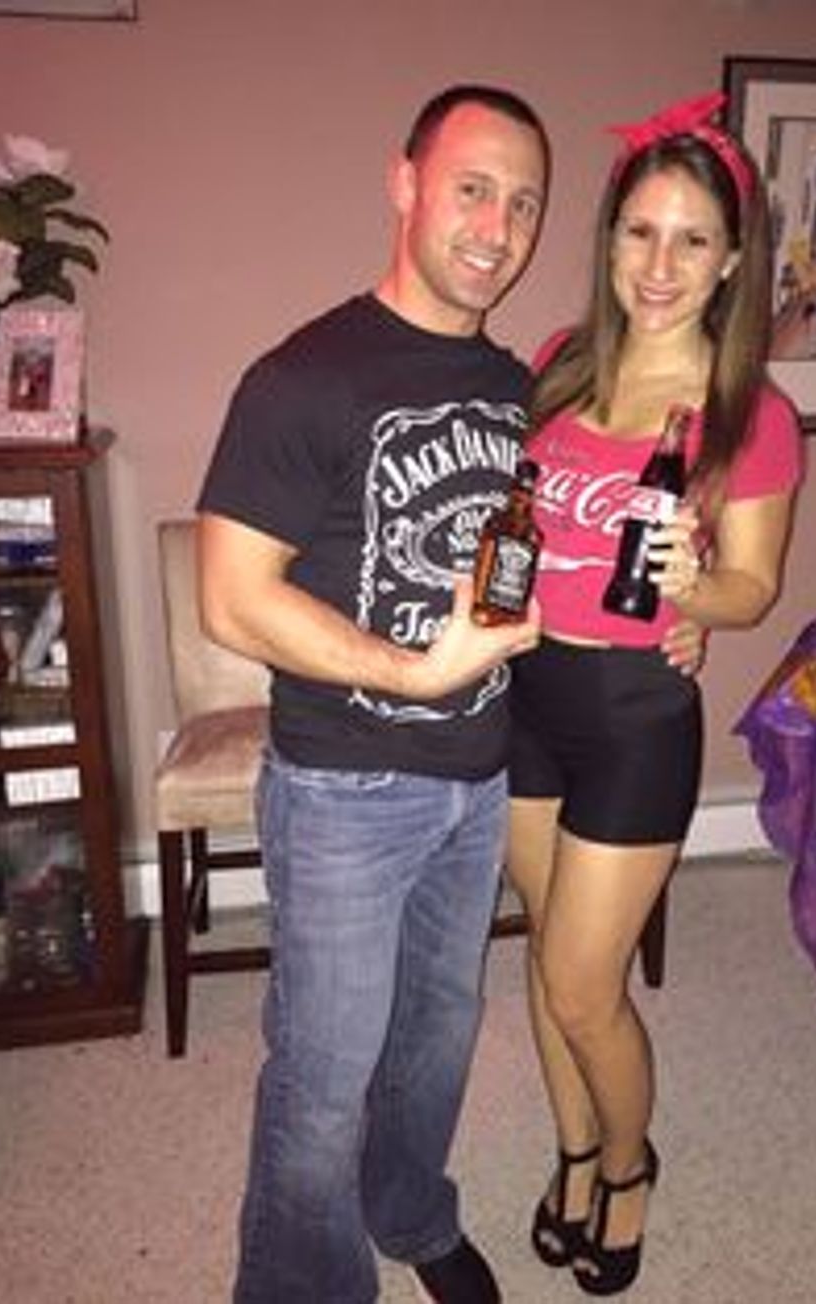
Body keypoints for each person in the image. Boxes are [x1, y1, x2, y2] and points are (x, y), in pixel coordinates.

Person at [196, 85, 551, 1304]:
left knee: (435, 1041)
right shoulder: (303, 376)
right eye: (472, 188)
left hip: (476, 778)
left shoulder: (516, 387)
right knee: (321, 1075)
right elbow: (231, 598)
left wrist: (674, 613)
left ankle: (408, 1208)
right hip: (344, 789)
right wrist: (409, 669)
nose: (497, 228)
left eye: (523, 203)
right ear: (404, 185)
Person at [506, 92, 804, 1296]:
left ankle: (629, 1165)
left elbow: (751, 588)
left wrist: (695, 589)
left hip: (634, 713)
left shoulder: (749, 414)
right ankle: (574, 1148)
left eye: (691, 239)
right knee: (545, 959)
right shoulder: (556, 364)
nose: (659, 264)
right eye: (639, 231)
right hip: (524, 690)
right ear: (609, 237)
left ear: (729, 259)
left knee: (586, 984)